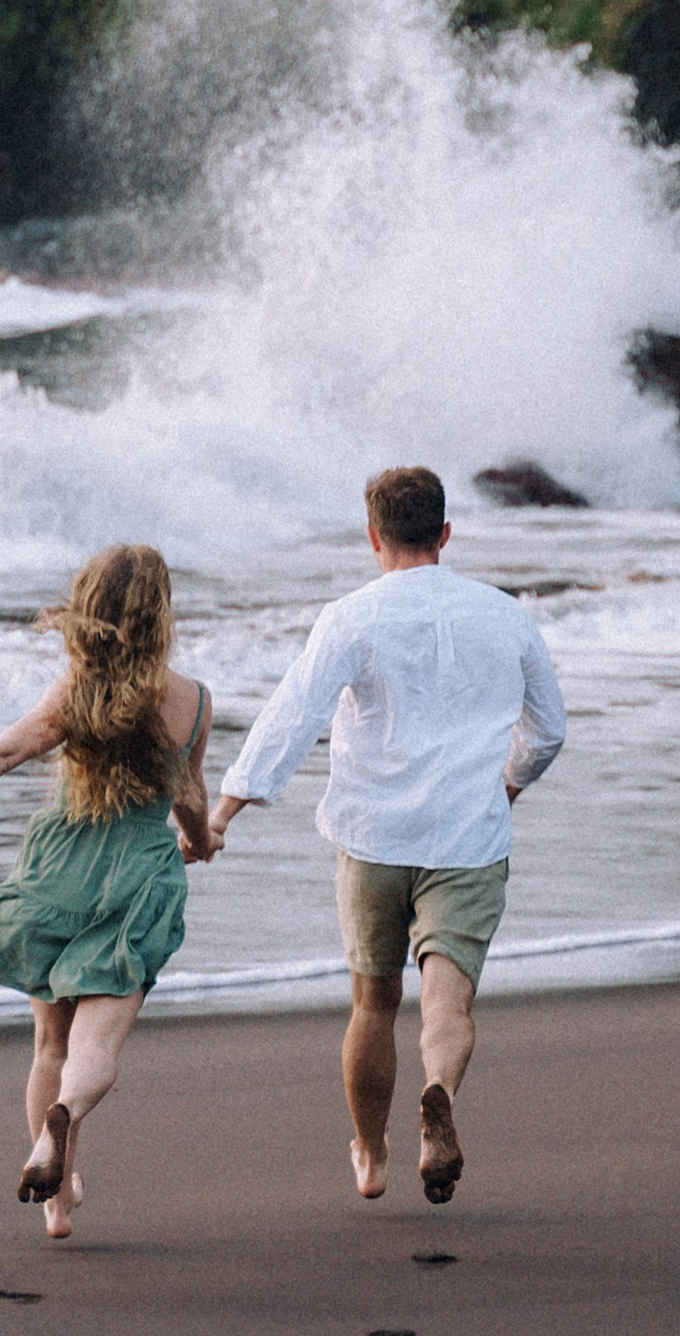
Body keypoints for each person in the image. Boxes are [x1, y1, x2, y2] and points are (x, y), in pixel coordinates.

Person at [208, 464, 566, 1206]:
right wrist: (508, 784)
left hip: (372, 837)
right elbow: (549, 728)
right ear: (443, 533)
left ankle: (371, 1155)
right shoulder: (504, 615)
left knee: (373, 1004)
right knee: (447, 1007)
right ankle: (439, 1093)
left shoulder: (352, 616)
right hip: (468, 837)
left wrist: (226, 809)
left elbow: (293, 715)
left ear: (373, 536)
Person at [0, 541, 213, 1240]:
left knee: (49, 1043)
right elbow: (189, 797)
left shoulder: (74, 692)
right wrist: (202, 841)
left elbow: (2, 752)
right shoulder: (193, 702)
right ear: (162, 615)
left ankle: (57, 1203)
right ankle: (62, 1126)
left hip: (60, 870)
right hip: (140, 879)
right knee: (97, 1046)